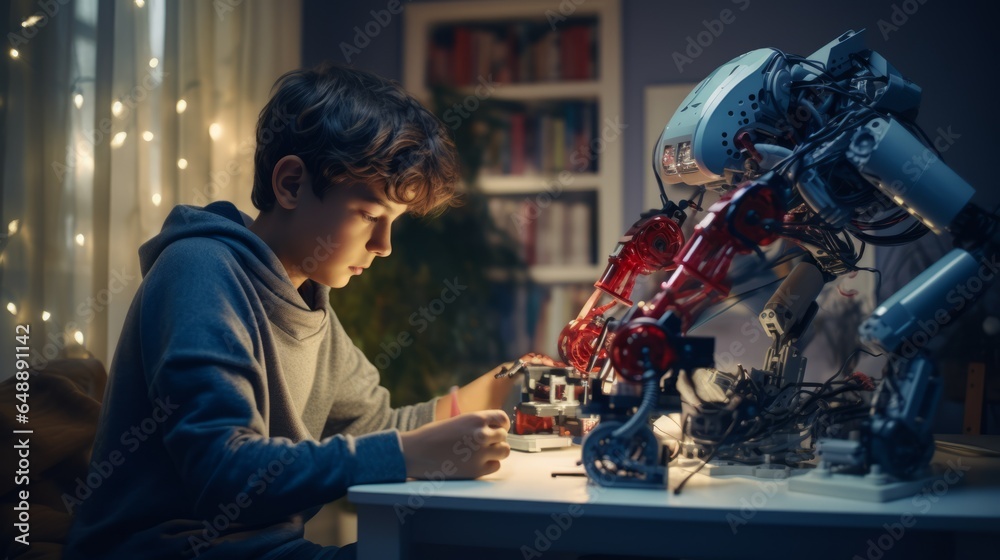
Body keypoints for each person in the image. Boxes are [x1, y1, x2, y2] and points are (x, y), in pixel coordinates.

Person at [64, 63, 556, 560]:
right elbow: (221, 470)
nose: (385, 246)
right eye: (369, 215)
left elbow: (376, 425)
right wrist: (407, 457)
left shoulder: (307, 299)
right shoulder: (198, 271)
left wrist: (503, 384)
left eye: (393, 223)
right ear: (292, 184)